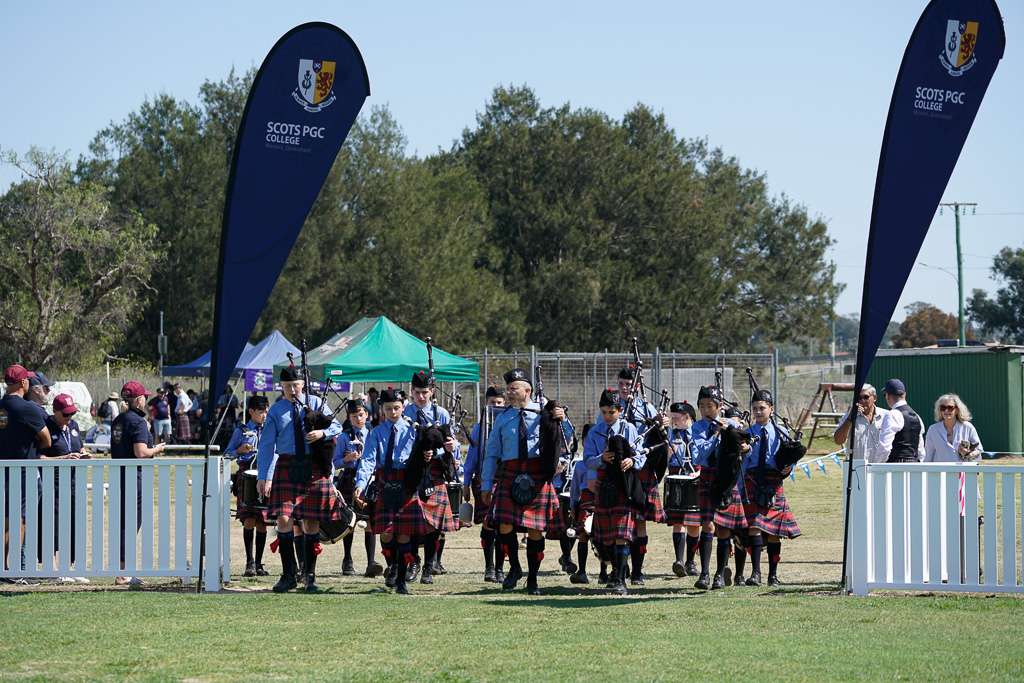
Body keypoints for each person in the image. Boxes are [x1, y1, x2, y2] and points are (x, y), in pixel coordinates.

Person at [255, 366, 345, 593]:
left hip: (313, 466)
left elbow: (337, 426)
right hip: (287, 465)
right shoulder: (276, 411)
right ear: (281, 387)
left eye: (295, 385)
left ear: (302, 385)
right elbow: (266, 445)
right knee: (284, 518)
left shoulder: (316, 403)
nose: (292, 390)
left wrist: (322, 433)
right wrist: (263, 475)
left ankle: (309, 576)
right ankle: (288, 575)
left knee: (311, 521)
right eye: (287, 386)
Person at [480, 368, 568, 595]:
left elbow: (566, 439)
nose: (509, 392)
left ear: (528, 390)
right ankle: (515, 568)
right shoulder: (502, 418)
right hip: (510, 474)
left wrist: (562, 419)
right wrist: (486, 484)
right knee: (504, 525)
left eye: (514, 388)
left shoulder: (544, 413)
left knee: (535, 529)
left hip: (537, 476)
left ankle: (533, 579)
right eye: (508, 389)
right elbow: (491, 453)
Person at [354, 388, 444, 594]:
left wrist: (429, 454)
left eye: (396, 408)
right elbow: (368, 460)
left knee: (404, 534)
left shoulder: (414, 430)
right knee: (386, 533)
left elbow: (435, 448)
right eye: (388, 409)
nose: (393, 412)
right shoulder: (376, 432)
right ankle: (393, 565)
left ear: (403, 407)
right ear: (382, 409)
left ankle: (401, 581)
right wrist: (360, 483)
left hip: (407, 484)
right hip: (385, 483)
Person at [584, 389, 645, 594]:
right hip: (604, 484)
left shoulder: (629, 429)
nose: (607, 416)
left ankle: (620, 579)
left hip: (624, 485)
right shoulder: (594, 432)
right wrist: (601, 458)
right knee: (606, 537)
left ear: (620, 410)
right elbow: (587, 460)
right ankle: (615, 571)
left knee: (622, 533)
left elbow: (641, 455)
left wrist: (632, 460)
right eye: (604, 412)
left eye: (611, 412)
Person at [690, 385, 748, 590]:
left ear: (720, 406)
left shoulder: (732, 424)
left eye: (710, 406)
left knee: (724, 529)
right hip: (707, 477)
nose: (706, 410)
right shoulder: (697, 428)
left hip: (727, 478)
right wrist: (715, 435)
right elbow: (700, 456)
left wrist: (743, 443)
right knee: (708, 525)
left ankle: (719, 575)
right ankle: (704, 574)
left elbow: (744, 443)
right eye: (702, 406)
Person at [403, 370, 460, 578]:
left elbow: (450, 443)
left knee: (433, 524)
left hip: (435, 472)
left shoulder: (441, 414)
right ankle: (413, 562)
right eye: (417, 392)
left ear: (432, 391)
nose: (421, 396)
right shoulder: (404, 413)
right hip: (412, 472)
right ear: (411, 391)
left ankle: (429, 565)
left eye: (425, 392)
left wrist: (449, 447)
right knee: (411, 521)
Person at [110, 381, 166, 586]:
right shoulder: (138, 422)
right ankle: (123, 572)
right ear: (139, 399)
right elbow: (141, 452)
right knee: (131, 523)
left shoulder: (118, 420)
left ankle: (122, 570)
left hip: (119, 476)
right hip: (134, 478)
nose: (146, 400)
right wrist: (157, 449)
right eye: (145, 397)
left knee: (123, 523)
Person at [743, 390, 801, 586]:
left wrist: (789, 467)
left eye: (762, 408)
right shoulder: (748, 433)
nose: (758, 412)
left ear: (771, 409)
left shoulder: (781, 432)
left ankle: (772, 575)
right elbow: (744, 461)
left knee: (775, 532)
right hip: (753, 481)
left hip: (774, 481)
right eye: (755, 409)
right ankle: (755, 573)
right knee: (754, 526)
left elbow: (790, 457)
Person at [0, 365, 51, 577]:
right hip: (23, 471)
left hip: (3, 470)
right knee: (20, 520)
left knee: (5, 519)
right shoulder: (27, 409)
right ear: (23, 382)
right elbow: (47, 440)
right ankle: (14, 570)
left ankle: (3, 567)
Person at [40, 393, 91, 582]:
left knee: (73, 524)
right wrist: (63, 458)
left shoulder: (74, 426)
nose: (69, 418)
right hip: (52, 484)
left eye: (72, 413)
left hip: (74, 482)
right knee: (53, 525)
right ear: (55, 411)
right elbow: (39, 457)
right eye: (65, 414)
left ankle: (69, 568)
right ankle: (53, 570)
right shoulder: (46, 426)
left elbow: (79, 447)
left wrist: (83, 454)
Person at [332, 398, 383, 578]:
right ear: (349, 417)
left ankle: (371, 562)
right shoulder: (343, 437)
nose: (358, 419)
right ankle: (347, 560)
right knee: (350, 522)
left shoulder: (374, 434)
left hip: (370, 481)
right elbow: (334, 462)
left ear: (367, 415)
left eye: (361, 415)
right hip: (348, 480)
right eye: (354, 416)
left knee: (370, 522)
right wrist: (347, 459)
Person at [461, 385, 508, 582]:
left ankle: (500, 568)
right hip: (483, 480)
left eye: (499, 403)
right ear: (486, 404)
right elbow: (472, 457)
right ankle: (489, 568)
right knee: (489, 524)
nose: (496, 406)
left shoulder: (510, 424)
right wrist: (465, 483)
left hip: (505, 479)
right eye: (492, 403)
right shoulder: (479, 428)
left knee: (503, 525)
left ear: (505, 404)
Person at [225, 395, 271, 577]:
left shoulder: (270, 429)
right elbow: (227, 454)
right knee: (249, 519)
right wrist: (239, 450)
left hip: (265, 476)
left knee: (263, 522)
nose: (264, 415)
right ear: (251, 411)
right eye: (261, 412)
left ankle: (259, 563)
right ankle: (249, 563)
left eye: (266, 411)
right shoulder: (241, 431)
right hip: (246, 478)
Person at [664, 401, 700, 578]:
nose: (673, 421)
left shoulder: (699, 433)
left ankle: (690, 562)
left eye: (676, 418)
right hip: (677, 479)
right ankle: (679, 561)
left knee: (694, 523)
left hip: (695, 478)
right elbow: (665, 459)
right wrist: (669, 450)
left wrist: (700, 472)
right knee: (678, 522)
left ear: (687, 417)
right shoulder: (671, 434)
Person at [833, 384, 889, 462]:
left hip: (881, 466)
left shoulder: (886, 416)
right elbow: (838, 441)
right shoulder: (849, 416)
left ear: (875, 398)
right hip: (856, 466)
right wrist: (850, 418)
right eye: (859, 398)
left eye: (866, 397)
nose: (862, 400)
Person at [924, 394, 983, 462]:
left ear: (957, 410)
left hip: (963, 468)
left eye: (950, 408)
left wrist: (968, 453)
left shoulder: (968, 427)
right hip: (940, 469)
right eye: (943, 408)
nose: (946, 410)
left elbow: (979, 450)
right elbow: (928, 456)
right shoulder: (933, 429)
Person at [878, 379, 925, 463]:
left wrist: (877, 465)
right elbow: (921, 451)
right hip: (914, 465)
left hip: (895, 466)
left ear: (887, 396)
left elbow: (884, 447)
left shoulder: (892, 415)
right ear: (904, 394)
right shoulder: (917, 416)